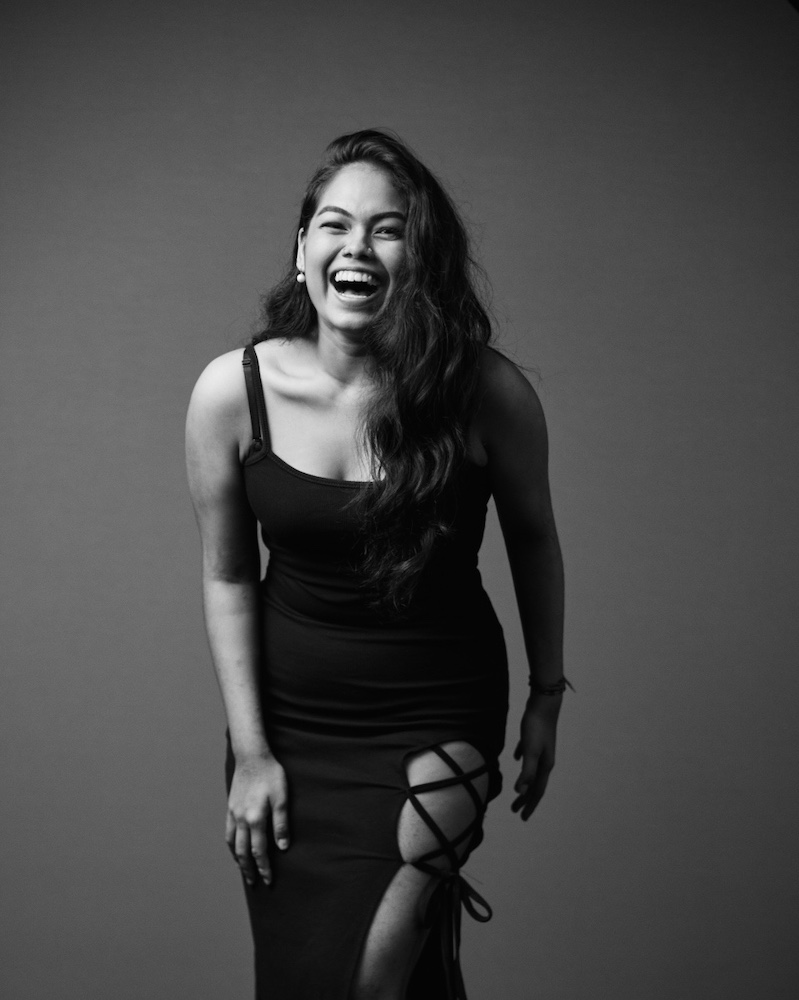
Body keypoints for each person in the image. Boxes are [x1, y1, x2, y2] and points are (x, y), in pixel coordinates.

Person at [185, 129, 566, 1000]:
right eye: (333, 224)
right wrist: (250, 755)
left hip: (441, 713)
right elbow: (228, 576)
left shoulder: (488, 393)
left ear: (421, 260)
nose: (356, 247)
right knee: (309, 981)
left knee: (370, 980)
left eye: (387, 230)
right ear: (301, 250)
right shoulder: (230, 393)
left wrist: (547, 696)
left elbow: (535, 539)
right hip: (289, 733)